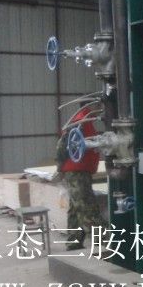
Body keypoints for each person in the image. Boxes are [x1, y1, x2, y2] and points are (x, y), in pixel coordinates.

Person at [56, 105, 103, 250]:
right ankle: (102, 241)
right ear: (91, 106)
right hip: (76, 171)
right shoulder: (80, 122)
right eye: (99, 106)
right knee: (86, 206)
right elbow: (62, 146)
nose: (101, 108)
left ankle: (73, 241)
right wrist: (60, 168)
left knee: (75, 208)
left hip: (80, 171)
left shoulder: (85, 122)